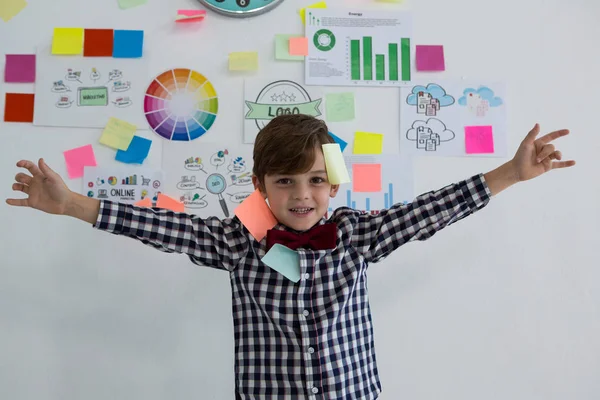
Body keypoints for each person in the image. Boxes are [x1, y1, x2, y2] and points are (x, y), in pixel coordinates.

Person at [6, 115, 575, 399]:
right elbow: (164, 227)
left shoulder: (354, 234)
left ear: (335, 184)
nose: (303, 195)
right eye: (285, 181)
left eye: (317, 181)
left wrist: (510, 174)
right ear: (260, 185)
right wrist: (75, 205)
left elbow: (431, 211)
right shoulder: (237, 240)